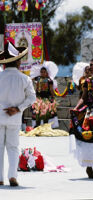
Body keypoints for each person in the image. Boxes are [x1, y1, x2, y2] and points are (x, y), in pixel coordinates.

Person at [0, 42, 36, 186]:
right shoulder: (24, 78)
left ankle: (0, 178)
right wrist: (18, 108)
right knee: (13, 147)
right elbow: (32, 98)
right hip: (14, 117)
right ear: (18, 62)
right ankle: (12, 176)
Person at [31, 61, 59, 128]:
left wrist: (53, 97)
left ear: (47, 73)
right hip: (38, 98)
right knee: (37, 113)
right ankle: (37, 126)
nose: (42, 73)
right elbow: (31, 79)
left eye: (44, 72)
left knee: (45, 114)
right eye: (41, 72)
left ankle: (45, 126)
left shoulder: (49, 81)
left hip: (46, 99)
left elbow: (51, 89)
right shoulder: (38, 78)